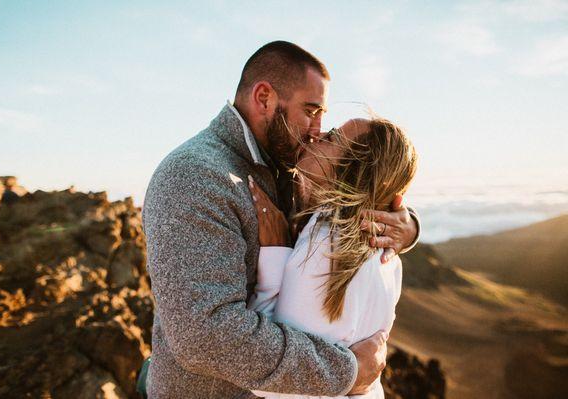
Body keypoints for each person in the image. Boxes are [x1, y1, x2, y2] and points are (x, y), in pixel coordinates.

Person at [142, 41, 420, 398]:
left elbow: (360, 184)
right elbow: (205, 336)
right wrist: (345, 371)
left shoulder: (285, 164)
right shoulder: (194, 176)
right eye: (311, 110)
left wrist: (406, 225)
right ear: (264, 98)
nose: (318, 129)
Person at [247, 118, 417, 399]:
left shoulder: (326, 245)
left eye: (333, 136)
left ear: (352, 170)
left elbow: (269, 380)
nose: (318, 135)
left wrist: (275, 255)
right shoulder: (388, 255)